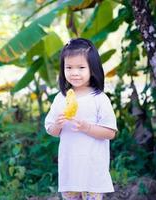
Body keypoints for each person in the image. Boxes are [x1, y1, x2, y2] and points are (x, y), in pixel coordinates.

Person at [44, 38, 117, 200]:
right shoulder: (61, 98)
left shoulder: (99, 98)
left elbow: (110, 132)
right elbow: (51, 130)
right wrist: (57, 125)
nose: (74, 72)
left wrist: (87, 128)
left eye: (81, 67)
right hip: (70, 171)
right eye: (69, 67)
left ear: (93, 68)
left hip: (93, 172)